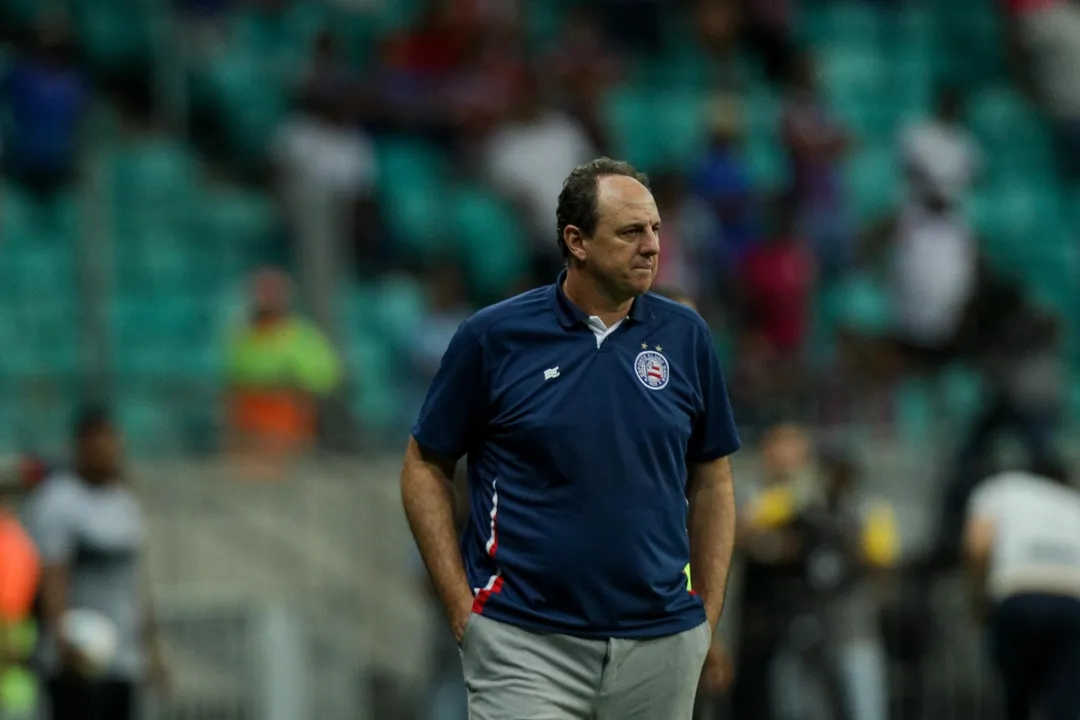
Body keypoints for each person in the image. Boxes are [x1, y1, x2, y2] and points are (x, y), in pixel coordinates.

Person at [401, 157, 741, 719]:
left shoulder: (687, 337)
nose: (652, 246)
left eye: (655, 229)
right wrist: (460, 607)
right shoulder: (495, 337)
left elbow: (714, 478)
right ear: (576, 241)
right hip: (524, 643)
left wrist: (706, 619)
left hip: (660, 646)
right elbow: (422, 465)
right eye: (631, 232)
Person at [24, 408, 167, 720]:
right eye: (100, 444)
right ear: (81, 447)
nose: (108, 453)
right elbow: (52, 574)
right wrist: (62, 639)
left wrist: (152, 647)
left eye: (113, 444)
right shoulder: (59, 500)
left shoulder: (124, 503)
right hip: (78, 656)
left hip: (123, 657)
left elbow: (135, 581)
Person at [964, 461, 1080, 720]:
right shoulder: (1072, 501)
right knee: (1066, 701)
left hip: (1019, 594)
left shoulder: (999, 489)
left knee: (1016, 696)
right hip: (1072, 602)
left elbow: (978, 547)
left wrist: (977, 599)